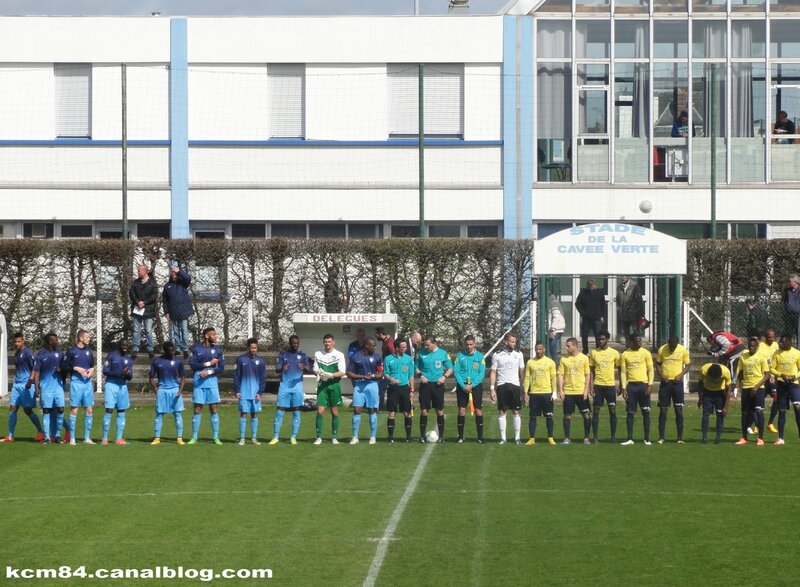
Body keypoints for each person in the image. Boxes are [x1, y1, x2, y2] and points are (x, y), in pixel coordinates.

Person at [0, 333, 44, 443]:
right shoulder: (17, 353)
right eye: (15, 342)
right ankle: (10, 435)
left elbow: (34, 367)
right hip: (17, 384)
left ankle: (40, 432)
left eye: (19, 341)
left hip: (26, 385)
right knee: (13, 407)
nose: (16, 344)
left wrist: (30, 381)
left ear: (23, 341)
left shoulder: (28, 353)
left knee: (28, 410)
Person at [270, 335, 312, 445]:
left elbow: (309, 369)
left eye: (297, 343)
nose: (296, 345)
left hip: (297, 388)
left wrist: (304, 367)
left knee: (296, 412)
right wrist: (282, 368)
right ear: (290, 343)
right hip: (284, 387)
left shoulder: (302, 355)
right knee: (280, 412)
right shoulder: (283, 355)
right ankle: (275, 437)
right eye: (294, 343)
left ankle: (293, 437)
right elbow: (277, 369)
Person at [187, 327, 225, 445]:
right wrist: (209, 363)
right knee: (197, 408)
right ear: (207, 336)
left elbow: (221, 368)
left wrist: (209, 372)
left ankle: (215, 437)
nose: (216, 336)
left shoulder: (218, 350)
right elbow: (192, 365)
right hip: (199, 381)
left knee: (213, 408)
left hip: (212, 382)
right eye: (213, 335)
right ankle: (194, 437)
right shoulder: (196, 348)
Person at [415, 334, 453, 443]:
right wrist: (420, 375)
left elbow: (450, 368)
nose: (426, 347)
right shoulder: (421, 353)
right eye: (425, 345)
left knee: (439, 410)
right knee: (424, 410)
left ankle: (441, 437)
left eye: (427, 345)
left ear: (434, 343)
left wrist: (444, 377)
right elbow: (415, 366)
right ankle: (422, 436)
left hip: (438, 385)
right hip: (425, 385)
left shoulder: (443, 353)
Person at [490, 332, 525, 445]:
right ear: (506, 342)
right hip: (502, 385)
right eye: (512, 341)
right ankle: (503, 438)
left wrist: (523, 386)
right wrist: (492, 388)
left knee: (516, 411)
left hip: (515, 386)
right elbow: (493, 372)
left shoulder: (519, 354)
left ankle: (517, 438)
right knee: (502, 411)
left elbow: (522, 371)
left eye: (515, 341)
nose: (514, 343)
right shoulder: (497, 355)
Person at [346, 336, 383, 444]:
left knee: (372, 409)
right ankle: (355, 437)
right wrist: (361, 376)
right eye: (374, 345)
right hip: (359, 386)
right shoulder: (355, 356)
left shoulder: (377, 357)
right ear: (367, 345)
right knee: (357, 409)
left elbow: (380, 373)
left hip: (372, 386)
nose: (375, 348)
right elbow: (349, 373)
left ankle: (372, 437)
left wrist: (373, 376)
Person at [655, 335, 691, 444]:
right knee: (663, 410)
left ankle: (679, 438)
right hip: (665, 384)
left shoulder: (682, 350)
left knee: (679, 410)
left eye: (674, 346)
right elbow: (657, 364)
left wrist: (680, 375)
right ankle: (661, 437)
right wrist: (661, 375)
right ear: (668, 343)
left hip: (677, 383)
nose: (672, 348)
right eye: (671, 346)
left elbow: (688, 365)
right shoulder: (662, 349)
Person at [149, 341, 186, 445]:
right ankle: (157, 438)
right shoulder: (157, 361)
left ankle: (179, 438)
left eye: (173, 350)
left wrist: (180, 390)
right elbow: (151, 377)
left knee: (177, 413)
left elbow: (183, 377)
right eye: (170, 350)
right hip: (162, 390)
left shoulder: (178, 362)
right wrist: (155, 388)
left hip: (175, 390)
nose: (172, 352)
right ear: (165, 350)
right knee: (159, 414)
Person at [620, 334, 654, 445]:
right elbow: (623, 372)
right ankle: (629, 438)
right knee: (630, 412)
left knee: (646, 412)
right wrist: (624, 388)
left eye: (640, 341)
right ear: (631, 342)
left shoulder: (646, 353)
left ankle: (647, 438)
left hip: (643, 385)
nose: (640, 343)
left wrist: (650, 384)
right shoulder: (625, 354)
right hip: (631, 387)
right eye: (637, 341)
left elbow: (650, 370)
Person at [734, 336, 769, 446]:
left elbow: (767, 375)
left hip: (758, 389)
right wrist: (736, 387)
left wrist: (757, 386)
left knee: (759, 412)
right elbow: (740, 372)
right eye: (749, 346)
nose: (751, 348)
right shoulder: (743, 356)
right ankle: (744, 437)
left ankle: (761, 438)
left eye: (753, 346)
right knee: (744, 413)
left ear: (757, 346)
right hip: (746, 388)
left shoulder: (762, 357)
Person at [312, 334, 346, 445]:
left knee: (334, 411)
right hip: (322, 386)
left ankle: (334, 437)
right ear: (323, 342)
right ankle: (318, 437)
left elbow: (342, 371)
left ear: (333, 342)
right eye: (325, 341)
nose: (327, 343)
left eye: (329, 341)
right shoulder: (318, 354)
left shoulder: (339, 355)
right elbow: (315, 369)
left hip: (334, 385)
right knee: (320, 410)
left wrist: (330, 375)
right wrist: (320, 373)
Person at [33, 332, 66, 444]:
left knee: (61, 410)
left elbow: (64, 369)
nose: (58, 341)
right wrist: (36, 387)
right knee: (47, 411)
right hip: (46, 387)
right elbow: (37, 372)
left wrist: (61, 370)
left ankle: (57, 435)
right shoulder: (40, 355)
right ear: (51, 341)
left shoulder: (60, 353)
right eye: (56, 340)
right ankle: (47, 437)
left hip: (58, 386)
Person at [557, 337, 591, 444]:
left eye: (568, 346)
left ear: (575, 346)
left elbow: (587, 375)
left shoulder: (584, 358)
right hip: (568, 392)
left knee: (586, 415)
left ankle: (586, 437)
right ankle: (567, 438)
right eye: (566, 346)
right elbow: (560, 375)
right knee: (567, 415)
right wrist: (561, 391)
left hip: (581, 392)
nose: (566, 348)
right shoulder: (564, 359)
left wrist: (586, 390)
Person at [64, 329, 96, 445]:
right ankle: (72, 438)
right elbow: (64, 366)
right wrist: (76, 368)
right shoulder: (72, 351)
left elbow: (92, 365)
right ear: (81, 338)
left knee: (89, 409)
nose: (89, 339)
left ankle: (87, 438)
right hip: (76, 383)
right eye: (87, 337)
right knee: (74, 409)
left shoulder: (89, 351)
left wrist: (92, 369)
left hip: (87, 383)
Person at [768, 333, 800, 446]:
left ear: (789, 343)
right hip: (782, 386)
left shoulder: (797, 353)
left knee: (798, 409)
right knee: (781, 411)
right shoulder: (776, 353)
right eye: (780, 341)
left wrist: (794, 376)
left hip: (794, 386)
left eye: (782, 342)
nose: (780, 343)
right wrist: (782, 374)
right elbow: (771, 368)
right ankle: (781, 438)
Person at [453, 335, 486, 444]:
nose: (469, 346)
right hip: (462, 386)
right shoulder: (460, 356)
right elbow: (456, 372)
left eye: (471, 344)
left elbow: (481, 374)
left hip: (475, 386)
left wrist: (472, 385)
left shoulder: (480, 357)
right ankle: (461, 437)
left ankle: (480, 437)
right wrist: (463, 386)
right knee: (462, 410)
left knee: (478, 410)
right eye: (467, 344)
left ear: (474, 344)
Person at [523, 341, 557, 446]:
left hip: (547, 393)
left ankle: (550, 437)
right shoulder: (530, 362)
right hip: (534, 393)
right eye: (536, 349)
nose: (538, 351)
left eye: (540, 349)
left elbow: (553, 378)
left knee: (549, 416)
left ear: (544, 349)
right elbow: (527, 378)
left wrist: (554, 392)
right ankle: (532, 438)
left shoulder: (550, 362)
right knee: (533, 417)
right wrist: (525, 392)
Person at [234, 338, 267, 446]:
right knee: (243, 413)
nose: (254, 350)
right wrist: (237, 390)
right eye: (252, 348)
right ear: (248, 347)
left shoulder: (261, 361)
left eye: (255, 348)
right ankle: (242, 438)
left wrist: (260, 392)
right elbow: (236, 376)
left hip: (255, 393)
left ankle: (254, 438)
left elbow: (263, 378)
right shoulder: (240, 359)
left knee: (254, 414)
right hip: (243, 392)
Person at [589, 330, 620, 443]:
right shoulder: (594, 353)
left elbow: (620, 368)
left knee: (612, 410)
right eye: (599, 339)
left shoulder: (615, 353)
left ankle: (613, 437)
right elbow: (591, 370)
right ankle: (595, 437)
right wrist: (591, 386)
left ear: (607, 339)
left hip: (610, 386)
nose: (600, 341)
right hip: (598, 385)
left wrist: (621, 384)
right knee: (596, 411)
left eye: (602, 339)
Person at [102, 339, 134, 445]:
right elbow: (105, 371)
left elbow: (130, 377)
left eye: (127, 345)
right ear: (119, 345)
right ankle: (105, 439)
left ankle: (119, 439)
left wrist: (127, 374)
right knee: (109, 410)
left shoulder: (129, 359)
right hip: (111, 385)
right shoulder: (111, 356)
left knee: (121, 411)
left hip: (122, 386)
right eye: (123, 345)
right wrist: (120, 372)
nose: (125, 347)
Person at [384, 339, 415, 443]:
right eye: (403, 347)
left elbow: (411, 375)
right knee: (392, 413)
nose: (405, 349)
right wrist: (391, 379)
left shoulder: (408, 359)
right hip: (393, 389)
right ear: (397, 348)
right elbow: (386, 373)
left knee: (407, 413)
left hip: (404, 388)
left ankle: (408, 437)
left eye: (406, 347)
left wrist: (412, 390)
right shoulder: (388, 359)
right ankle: (390, 437)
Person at [162, 261, 194, 359]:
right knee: (175, 331)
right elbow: (165, 301)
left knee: (184, 330)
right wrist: (166, 312)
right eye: (173, 273)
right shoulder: (167, 286)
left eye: (176, 273)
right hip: (173, 312)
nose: (174, 275)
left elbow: (188, 278)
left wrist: (179, 271)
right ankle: (177, 349)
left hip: (183, 311)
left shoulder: (183, 283)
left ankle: (185, 349)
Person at [128, 263, 158, 359]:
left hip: (148, 310)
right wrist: (137, 302)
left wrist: (145, 302)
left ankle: (150, 349)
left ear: (145, 271)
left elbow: (154, 295)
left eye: (139, 270)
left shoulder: (153, 283)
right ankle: (135, 348)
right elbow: (131, 293)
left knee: (148, 330)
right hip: (137, 309)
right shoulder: (136, 282)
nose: (138, 272)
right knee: (136, 329)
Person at [697, 362, 731, 444]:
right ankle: (704, 437)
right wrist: (700, 399)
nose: (715, 380)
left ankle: (718, 438)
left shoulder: (726, 372)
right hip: (707, 392)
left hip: (720, 393)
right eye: (712, 378)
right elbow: (700, 383)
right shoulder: (703, 370)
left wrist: (725, 407)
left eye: (716, 378)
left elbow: (728, 390)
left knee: (720, 414)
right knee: (705, 414)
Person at [575, 279, 606, 355]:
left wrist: (602, 315)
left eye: (592, 285)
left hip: (596, 318)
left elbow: (603, 304)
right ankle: (585, 350)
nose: (591, 287)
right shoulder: (583, 292)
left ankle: (598, 350)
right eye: (589, 285)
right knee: (584, 335)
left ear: (595, 285)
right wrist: (583, 313)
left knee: (598, 335)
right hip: (586, 318)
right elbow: (577, 303)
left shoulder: (599, 292)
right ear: (587, 285)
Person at [761, 329, 781, 433]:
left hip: (773, 378)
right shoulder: (760, 346)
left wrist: (774, 375)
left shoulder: (776, 346)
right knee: (759, 400)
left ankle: (770, 423)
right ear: (765, 337)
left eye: (773, 337)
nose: (771, 339)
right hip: (763, 377)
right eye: (769, 337)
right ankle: (757, 424)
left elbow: (777, 361)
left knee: (776, 400)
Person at [375, 327, 395, 411]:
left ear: (380, 334)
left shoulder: (389, 343)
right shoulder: (386, 341)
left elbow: (394, 355)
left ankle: (380, 407)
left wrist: (387, 367)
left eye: (376, 335)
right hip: (387, 369)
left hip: (388, 370)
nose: (376, 337)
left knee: (381, 388)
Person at [547, 295, 566, 366]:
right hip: (556, 328)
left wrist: (553, 328)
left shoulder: (553, 303)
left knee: (552, 346)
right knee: (552, 346)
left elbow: (556, 316)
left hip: (556, 329)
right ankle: (554, 362)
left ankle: (555, 363)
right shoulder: (554, 303)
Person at [783, 275, 800, 343]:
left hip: (798, 315)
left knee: (798, 332)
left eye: (790, 281)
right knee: (788, 333)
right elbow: (785, 301)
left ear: (795, 282)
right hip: (789, 315)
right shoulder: (787, 291)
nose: (789, 282)